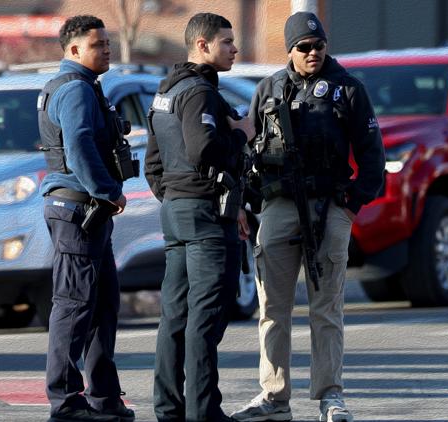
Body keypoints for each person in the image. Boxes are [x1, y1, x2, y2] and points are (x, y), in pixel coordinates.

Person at [231, 12, 385, 422]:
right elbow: (250, 154)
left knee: (326, 308)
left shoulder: (348, 89)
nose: (313, 52)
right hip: (279, 206)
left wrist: (351, 204)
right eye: (304, 47)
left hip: (329, 204)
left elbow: (373, 156)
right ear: (290, 50)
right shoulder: (267, 89)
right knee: (271, 308)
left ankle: (330, 396)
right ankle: (273, 396)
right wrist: (245, 206)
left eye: (319, 45)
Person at [144, 12, 255, 422]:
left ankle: (168, 408)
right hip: (205, 216)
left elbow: (152, 165)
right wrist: (242, 132)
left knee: (175, 315)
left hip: (177, 213)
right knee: (206, 317)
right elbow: (205, 150)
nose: (234, 48)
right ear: (202, 45)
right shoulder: (200, 93)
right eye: (226, 41)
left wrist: (174, 199)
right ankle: (203, 411)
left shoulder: (165, 92)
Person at [38, 15, 134, 422]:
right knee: (76, 305)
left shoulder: (78, 86)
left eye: (107, 43)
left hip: (83, 210)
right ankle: (65, 401)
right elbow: (77, 144)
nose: (107, 49)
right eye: (98, 45)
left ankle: (103, 397)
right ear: (74, 50)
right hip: (78, 209)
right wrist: (108, 191)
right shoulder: (75, 89)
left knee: (101, 305)